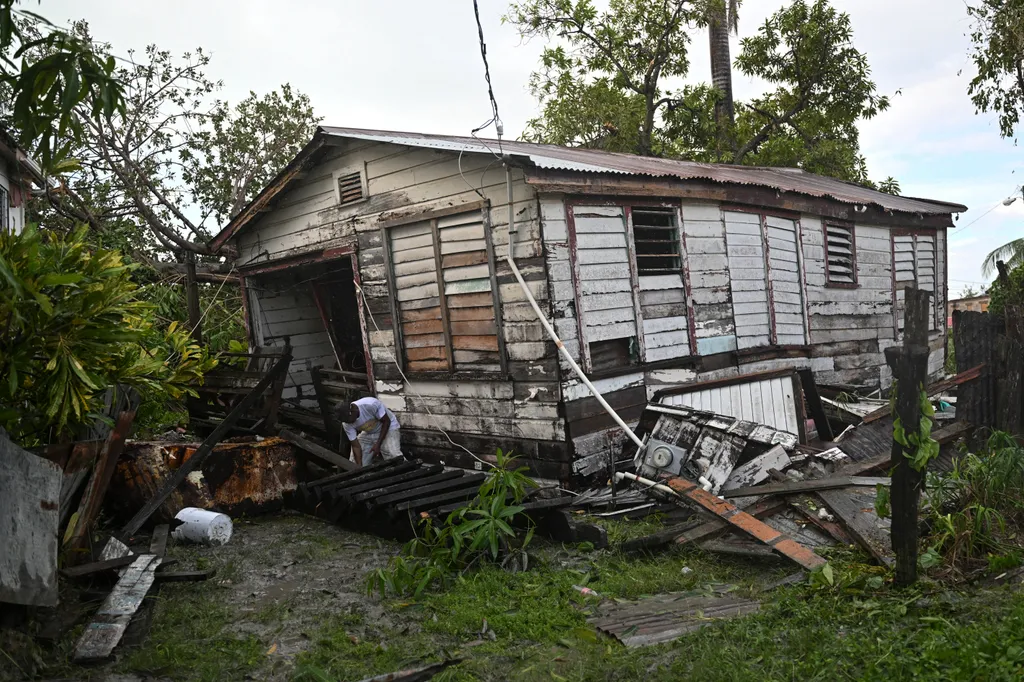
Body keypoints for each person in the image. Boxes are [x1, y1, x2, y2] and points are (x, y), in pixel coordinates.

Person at [338, 396, 403, 467]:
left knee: (393, 454)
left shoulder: (370, 404)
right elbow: (356, 446)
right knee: (354, 461)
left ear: (352, 411)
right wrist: (359, 467)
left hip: (389, 427)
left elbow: (386, 422)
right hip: (369, 432)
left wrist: (378, 444)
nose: (348, 423)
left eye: (348, 420)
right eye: (345, 421)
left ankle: (405, 471)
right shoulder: (346, 423)